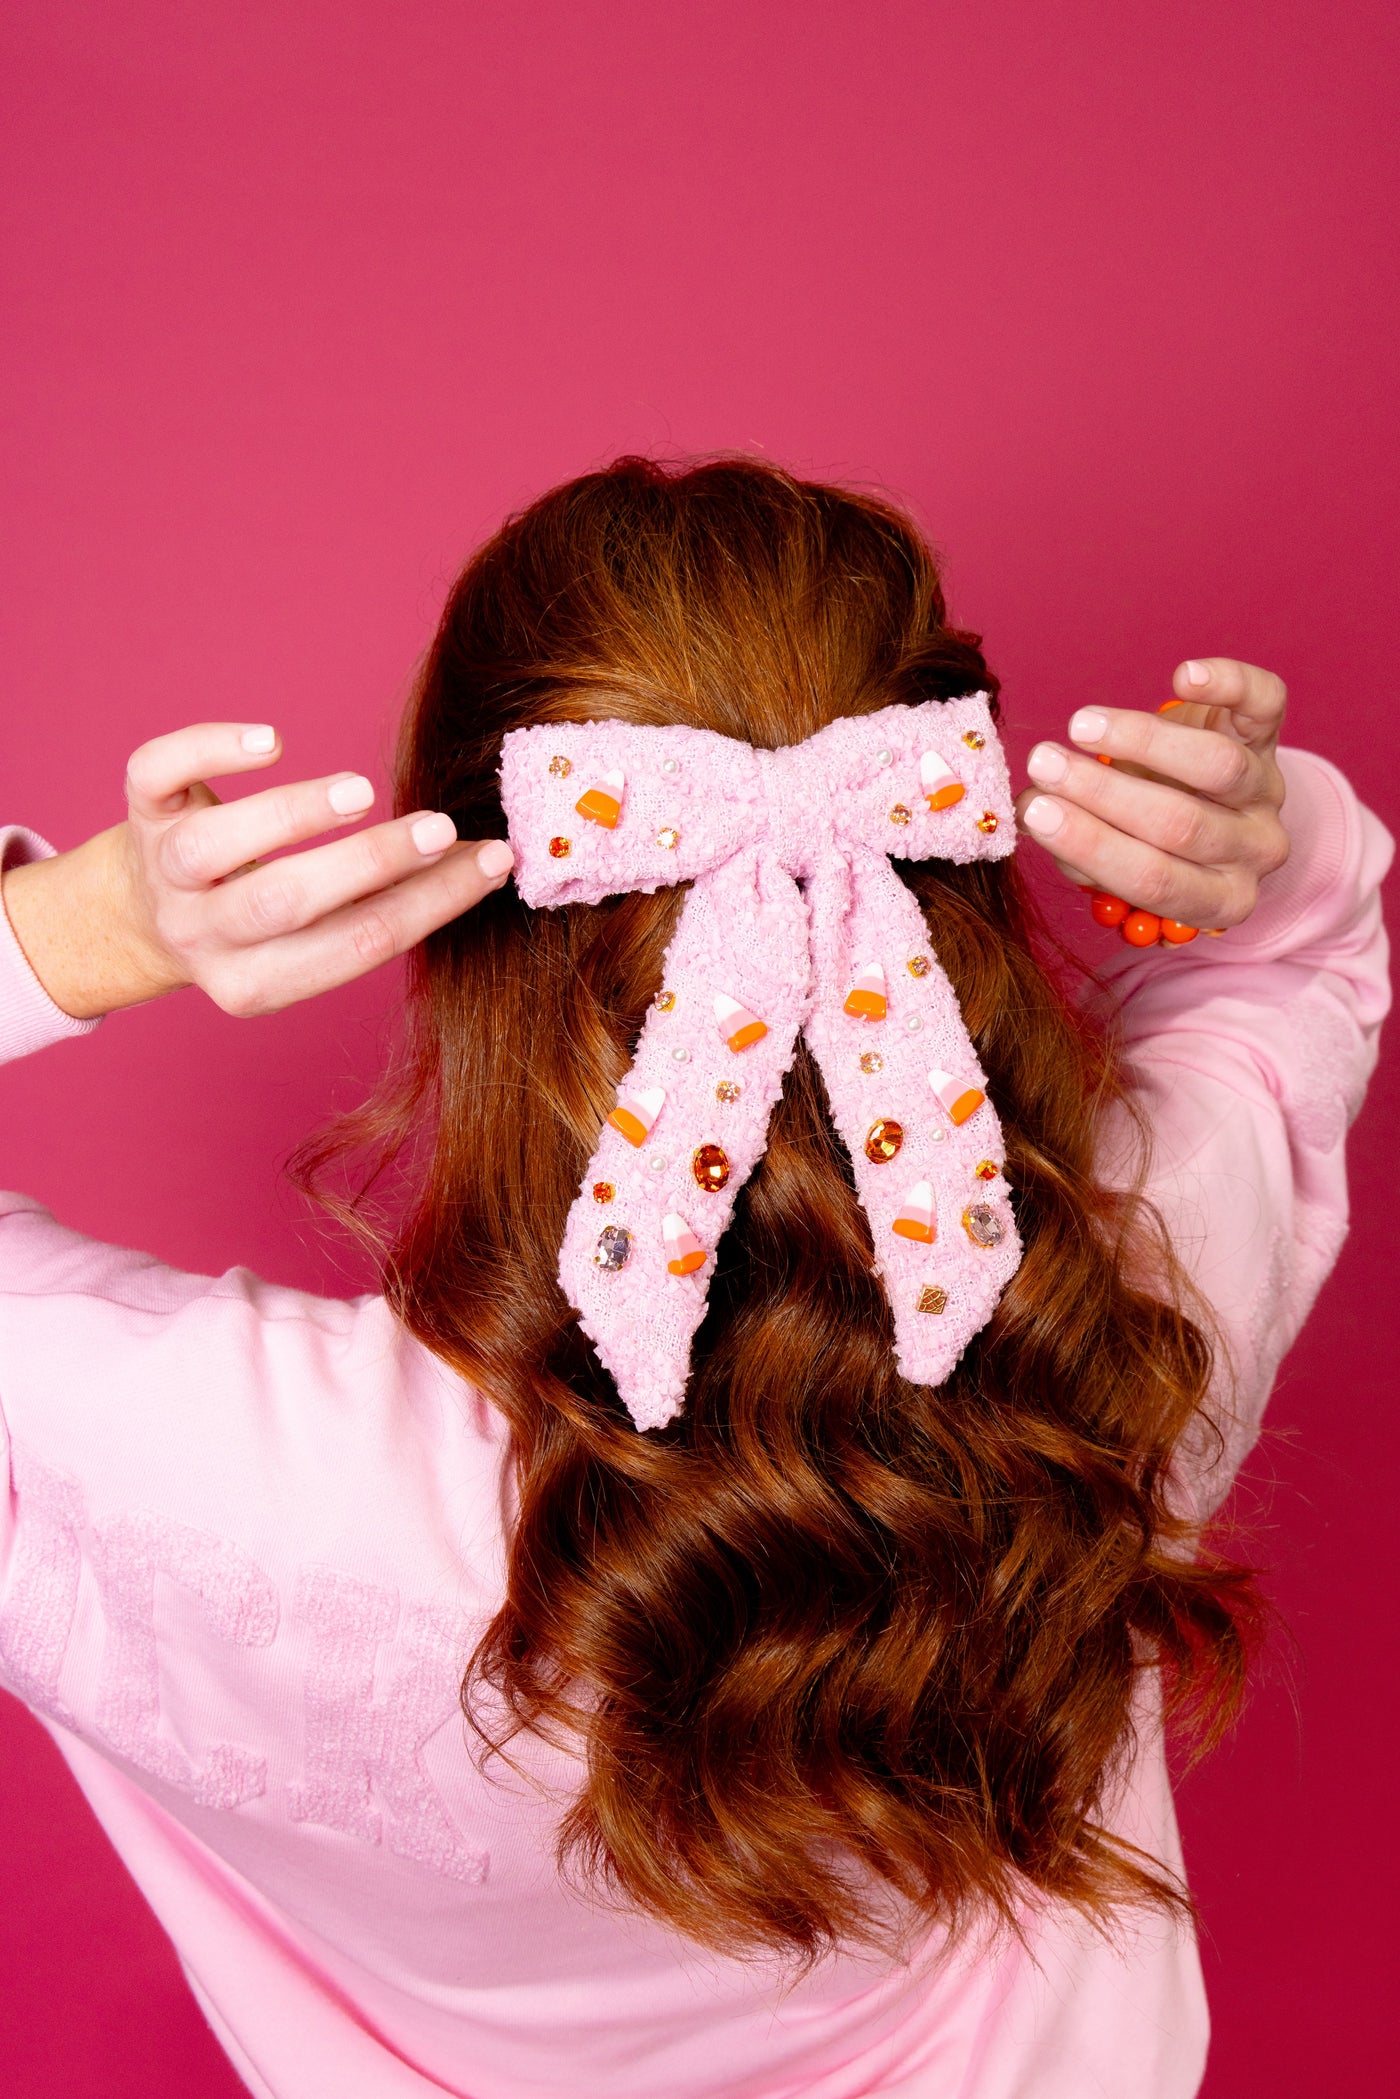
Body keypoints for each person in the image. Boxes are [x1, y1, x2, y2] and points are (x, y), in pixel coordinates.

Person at [0, 457, 1389, 2099]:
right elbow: (1306, 968)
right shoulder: (1144, 1314)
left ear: (463, 930)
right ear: (959, 855)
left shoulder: (201, 1466)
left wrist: (83, 932)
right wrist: (1271, 842)